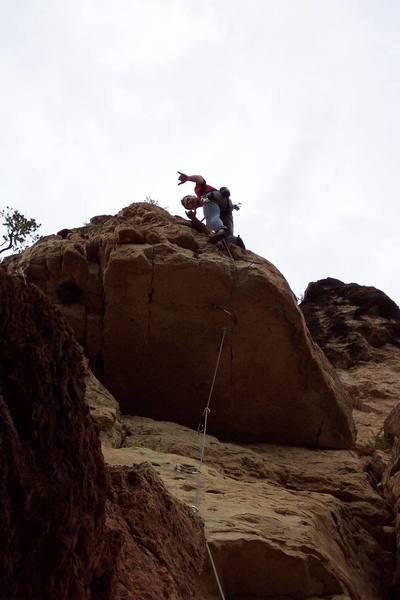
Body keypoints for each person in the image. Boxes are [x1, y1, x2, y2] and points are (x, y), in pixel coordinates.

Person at [178, 172, 245, 248]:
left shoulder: (199, 192)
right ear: (193, 208)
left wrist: (188, 178)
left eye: (188, 199)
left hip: (212, 197)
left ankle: (220, 229)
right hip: (227, 206)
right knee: (227, 237)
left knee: (211, 219)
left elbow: (199, 178)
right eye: (188, 204)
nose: (189, 201)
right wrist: (194, 218)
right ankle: (237, 241)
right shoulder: (206, 206)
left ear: (193, 196)